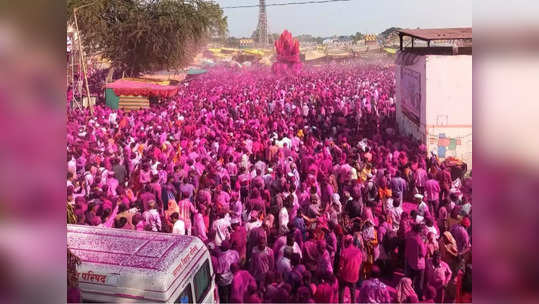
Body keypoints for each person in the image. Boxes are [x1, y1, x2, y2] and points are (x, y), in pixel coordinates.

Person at [338, 235, 363, 303]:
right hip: (354, 277)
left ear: (346, 242)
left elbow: (340, 266)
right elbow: (360, 264)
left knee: (341, 292)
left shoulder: (344, 252)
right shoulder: (358, 252)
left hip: (344, 276)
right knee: (353, 294)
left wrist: (339, 274)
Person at [405, 223, 427, 300]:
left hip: (411, 263)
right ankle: (419, 298)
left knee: (410, 282)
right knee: (419, 284)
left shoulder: (410, 238)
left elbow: (406, 252)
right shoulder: (419, 240)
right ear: (419, 231)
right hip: (419, 265)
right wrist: (426, 244)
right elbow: (424, 253)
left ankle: (409, 297)